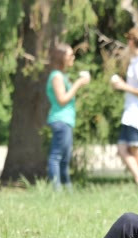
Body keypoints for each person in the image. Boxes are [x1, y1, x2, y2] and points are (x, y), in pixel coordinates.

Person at [111, 27, 138, 188]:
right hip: (129, 113)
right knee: (122, 148)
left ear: (131, 41)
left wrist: (123, 86)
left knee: (136, 148)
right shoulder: (135, 62)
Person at [46, 43, 90, 191]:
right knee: (56, 157)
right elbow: (62, 99)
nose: (73, 57)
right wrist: (78, 83)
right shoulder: (57, 76)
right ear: (61, 57)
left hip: (66, 121)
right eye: (70, 55)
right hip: (60, 120)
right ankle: (57, 190)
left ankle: (67, 190)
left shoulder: (62, 76)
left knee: (65, 159)